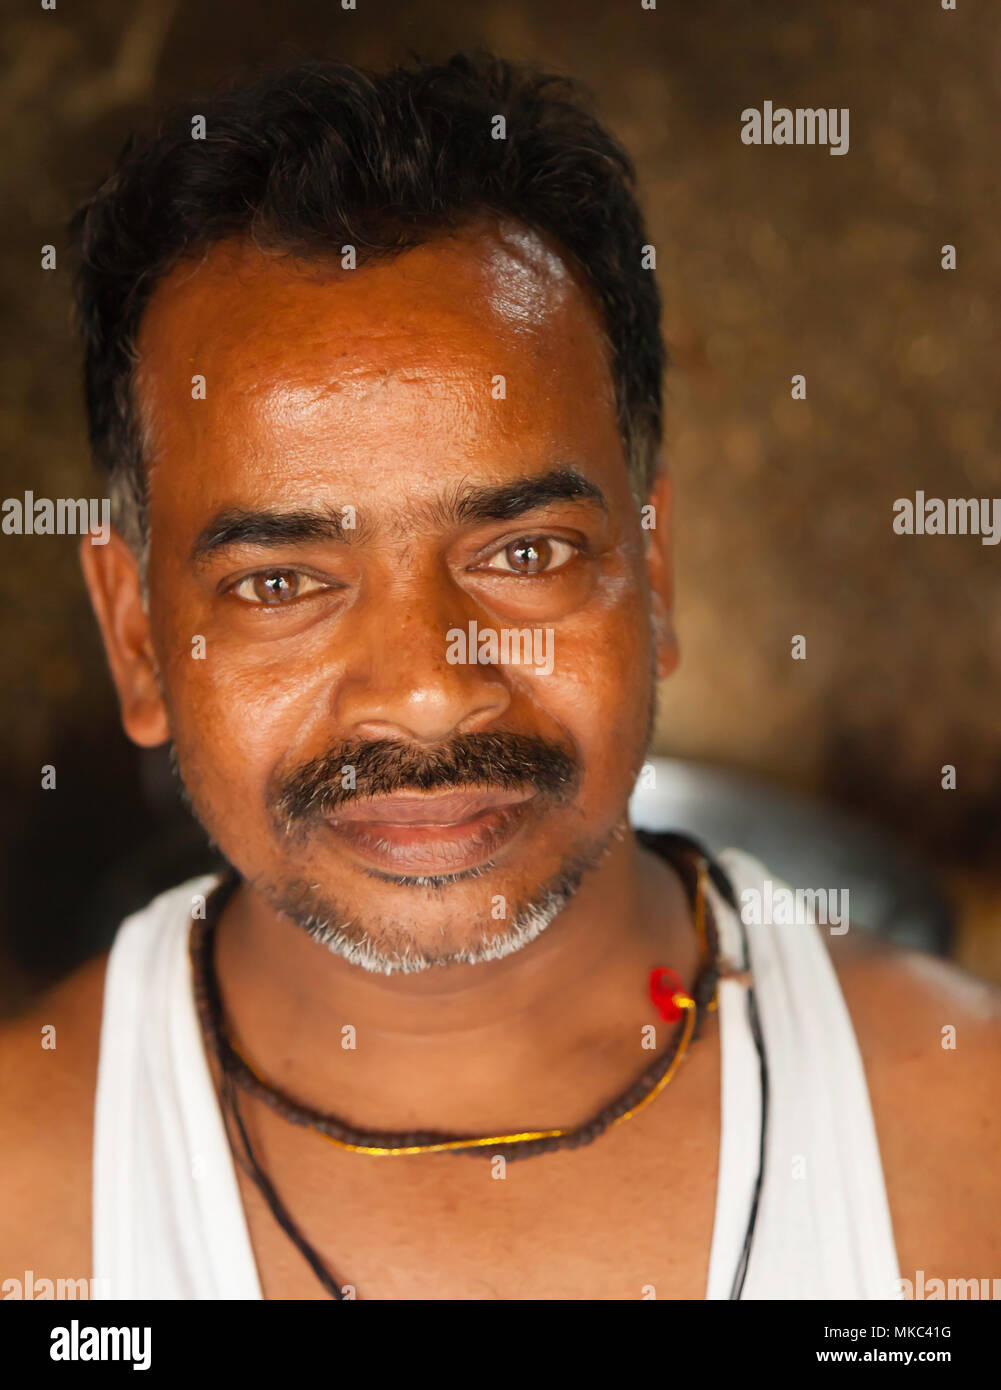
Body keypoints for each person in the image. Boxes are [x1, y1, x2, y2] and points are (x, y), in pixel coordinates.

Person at [1, 52, 998, 1302]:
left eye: (522, 553)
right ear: (138, 638)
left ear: (652, 571)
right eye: (280, 580)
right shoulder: (24, 1209)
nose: (425, 690)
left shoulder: (968, 1143)